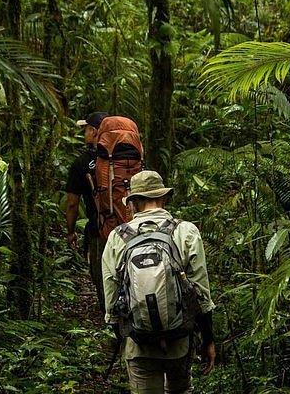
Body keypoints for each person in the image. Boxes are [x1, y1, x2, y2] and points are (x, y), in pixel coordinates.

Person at [101, 170, 216, 393]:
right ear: (163, 198)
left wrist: (125, 335)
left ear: (133, 202)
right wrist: (208, 339)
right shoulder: (185, 231)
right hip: (179, 340)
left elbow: (111, 297)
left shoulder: (117, 237)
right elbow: (201, 292)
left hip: (139, 344)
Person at [65, 111, 109, 313]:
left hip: (99, 227)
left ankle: (111, 318)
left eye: (86, 129)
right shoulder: (124, 157)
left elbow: (73, 203)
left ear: (93, 131)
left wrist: (71, 231)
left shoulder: (81, 163)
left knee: (101, 273)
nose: (84, 133)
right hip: (129, 224)